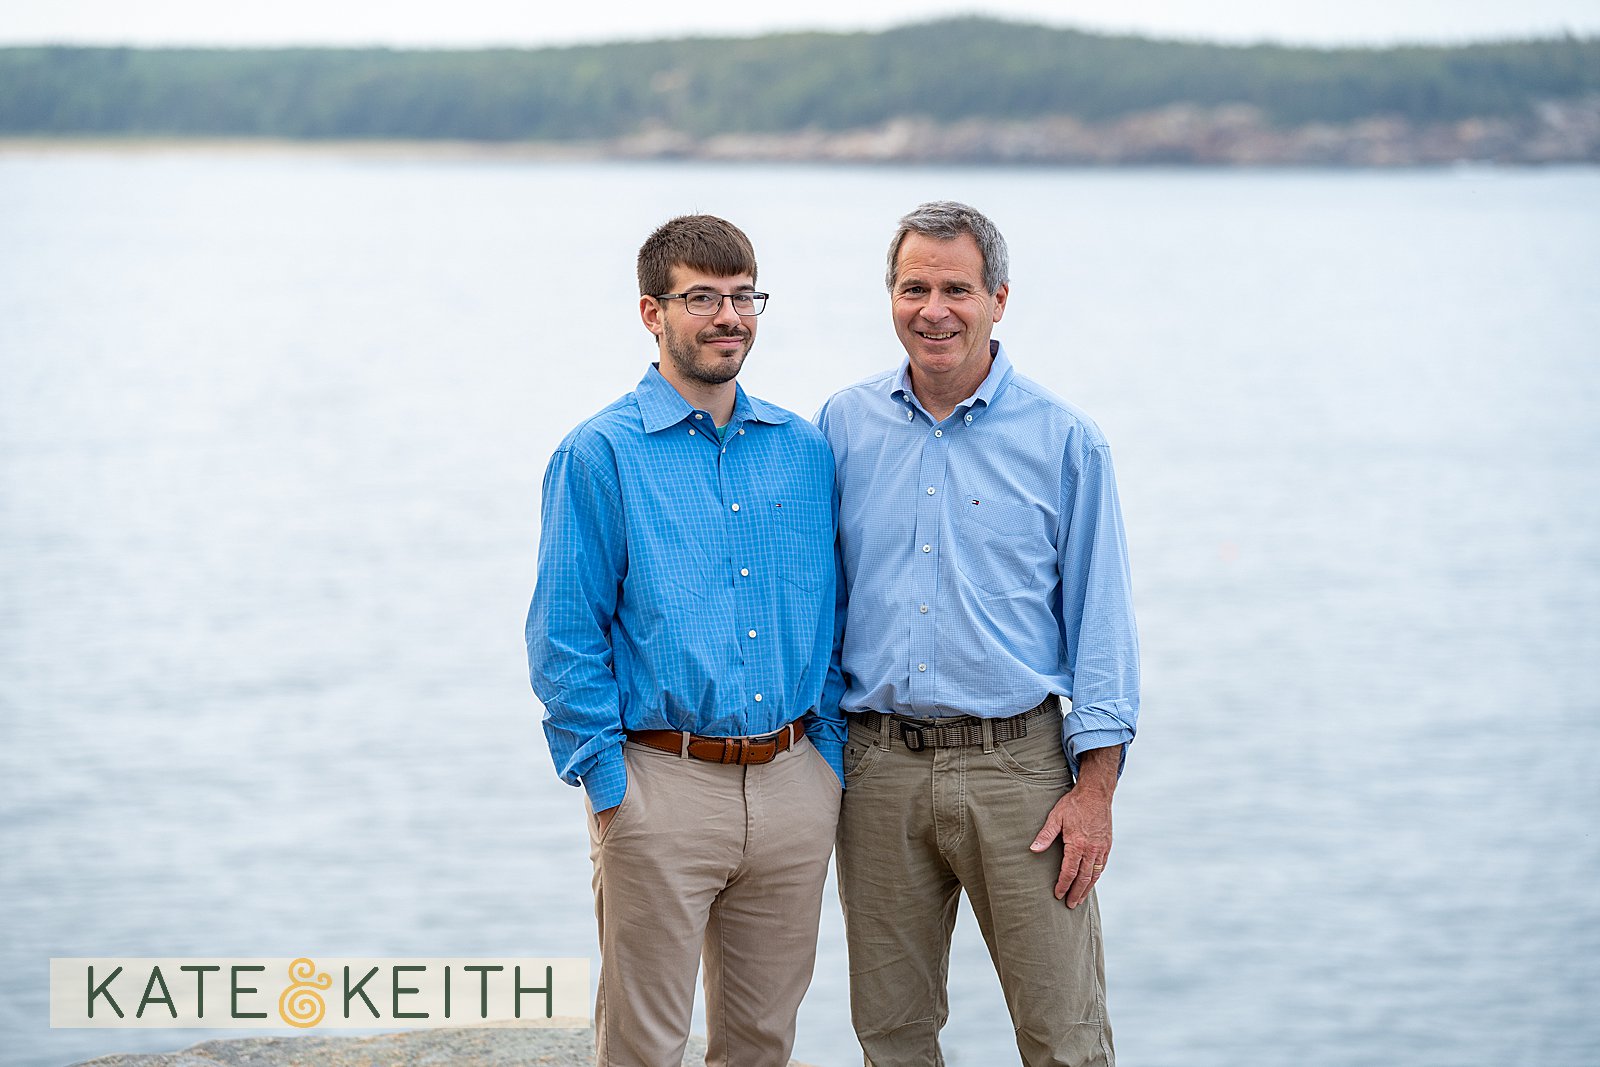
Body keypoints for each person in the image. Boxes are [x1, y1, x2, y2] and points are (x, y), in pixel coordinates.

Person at [816, 201, 1140, 1067]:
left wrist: (1095, 790)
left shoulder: (1065, 440)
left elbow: (1102, 626)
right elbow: (819, 603)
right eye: (914, 287)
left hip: (1023, 773)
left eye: (956, 288)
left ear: (998, 298)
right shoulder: (840, 429)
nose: (935, 309)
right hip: (876, 769)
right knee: (891, 1034)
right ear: (890, 297)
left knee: (1064, 1033)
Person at [527, 214, 844, 1067]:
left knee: (762, 1045)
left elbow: (838, 619)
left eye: (744, 297)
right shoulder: (599, 455)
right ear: (651, 312)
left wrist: (828, 761)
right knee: (643, 1048)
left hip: (793, 785)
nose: (728, 317)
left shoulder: (805, 452)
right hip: (659, 787)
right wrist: (607, 782)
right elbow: (564, 637)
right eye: (701, 297)